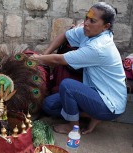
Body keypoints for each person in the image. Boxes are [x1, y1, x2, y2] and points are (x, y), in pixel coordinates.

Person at [31, 2, 127, 134]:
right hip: (95, 92)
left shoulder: (98, 47)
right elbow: (66, 35)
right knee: (48, 105)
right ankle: (92, 115)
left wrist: (37, 59)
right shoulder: (89, 32)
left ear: (106, 26)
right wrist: (45, 54)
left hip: (109, 103)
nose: (86, 23)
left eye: (92, 20)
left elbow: (60, 59)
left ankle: (72, 127)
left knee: (68, 86)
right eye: (86, 18)